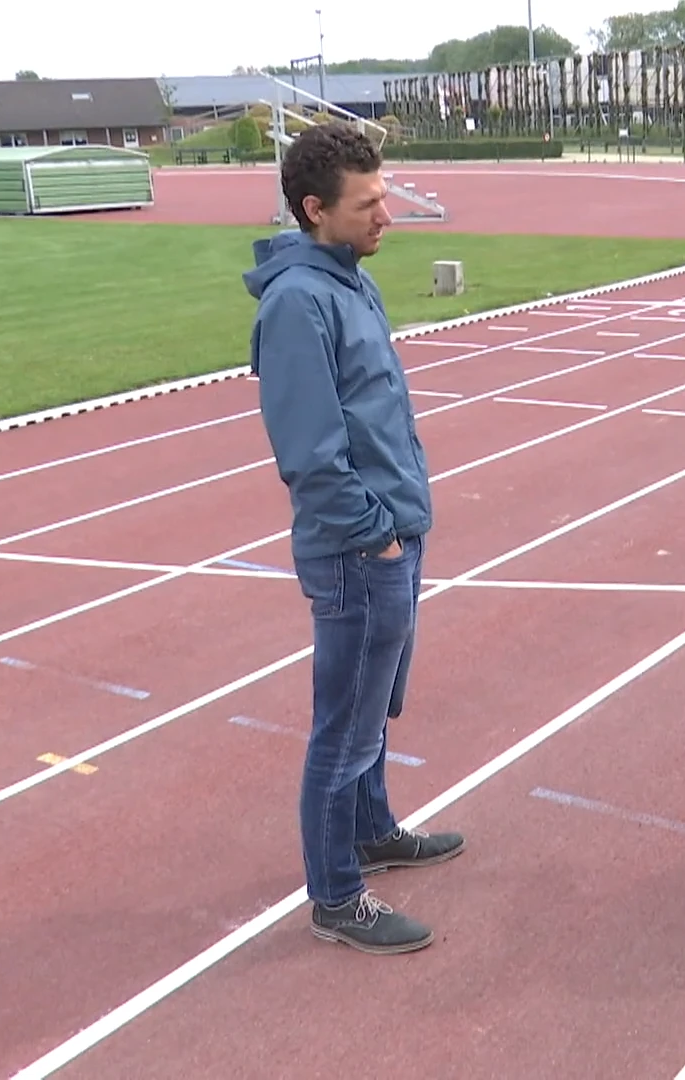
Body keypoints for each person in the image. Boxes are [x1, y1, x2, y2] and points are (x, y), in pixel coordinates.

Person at [244, 123, 464, 956]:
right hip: (359, 550)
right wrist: (376, 538)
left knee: (373, 715)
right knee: (343, 726)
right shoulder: (299, 301)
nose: (387, 217)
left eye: (385, 198)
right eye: (368, 205)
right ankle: (337, 894)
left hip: (395, 535)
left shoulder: (346, 279)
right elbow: (311, 450)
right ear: (314, 209)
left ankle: (372, 831)